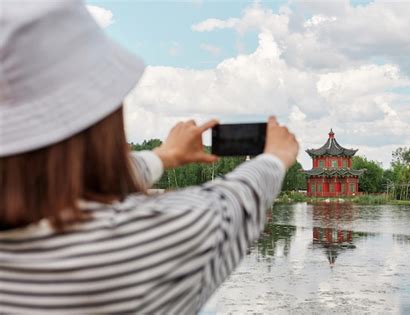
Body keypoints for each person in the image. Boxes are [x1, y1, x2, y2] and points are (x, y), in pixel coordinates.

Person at [0, 1, 298, 313]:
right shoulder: (134, 245)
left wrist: (163, 156)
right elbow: (233, 203)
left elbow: (78, 182)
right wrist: (275, 158)